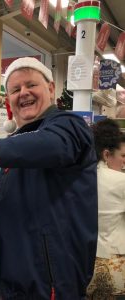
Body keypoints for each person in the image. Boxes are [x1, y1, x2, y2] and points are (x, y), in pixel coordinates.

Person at [0, 57, 98, 299]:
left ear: (50, 89)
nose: (24, 93)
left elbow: (51, 146)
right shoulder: (15, 144)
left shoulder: (68, 125)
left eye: (31, 85)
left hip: (49, 283)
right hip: (11, 281)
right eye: (15, 89)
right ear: (8, 100)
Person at [86, 118, 125, 299]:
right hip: (116, 265)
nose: (124, 162)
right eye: (123, 156)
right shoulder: (120, 181)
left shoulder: (82, 178)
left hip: (85, 263)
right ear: (107, 154)